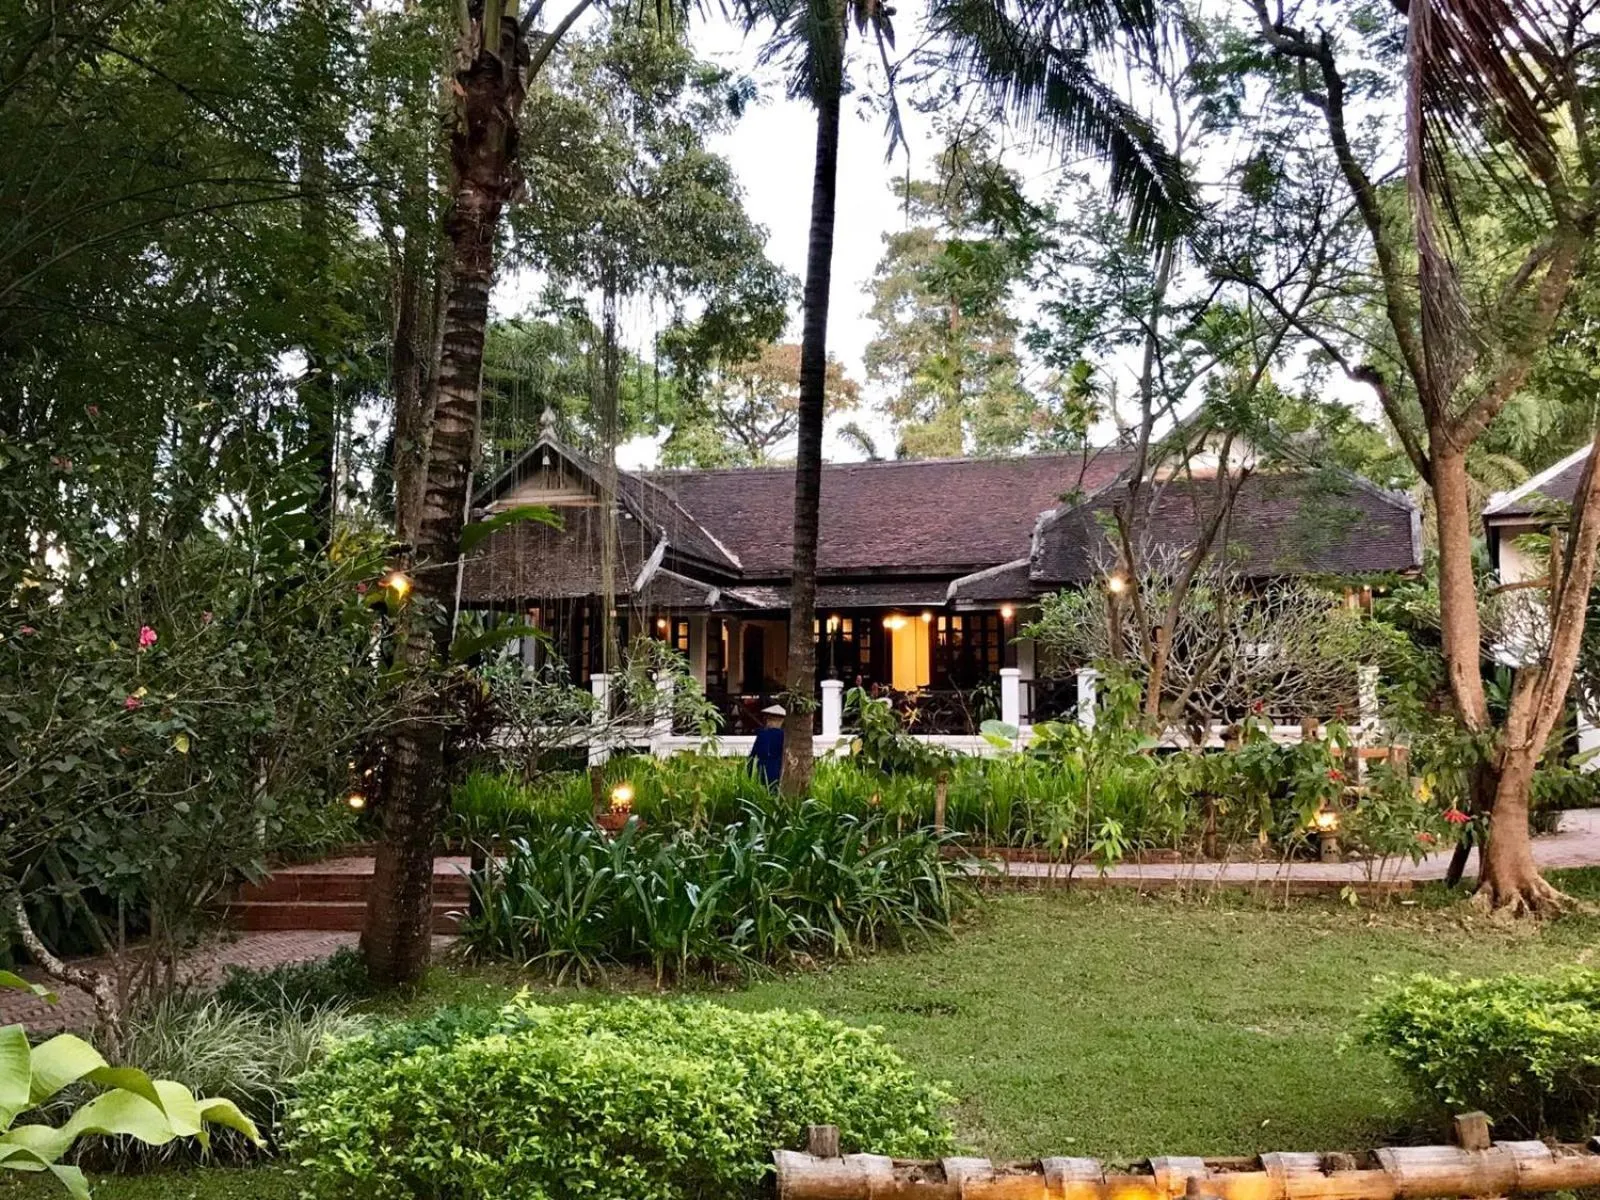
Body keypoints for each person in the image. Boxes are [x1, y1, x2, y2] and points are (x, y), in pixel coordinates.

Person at [749, 703, 785, 789]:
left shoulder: (763, 734)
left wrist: (749, 771)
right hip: (772, 765)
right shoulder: (783, 735)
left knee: (768, 788)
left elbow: (752, 755)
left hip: (769, 765)